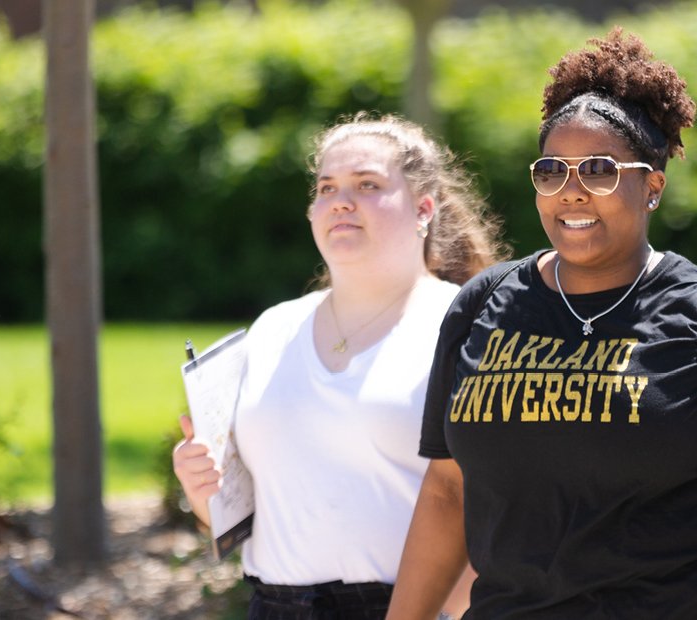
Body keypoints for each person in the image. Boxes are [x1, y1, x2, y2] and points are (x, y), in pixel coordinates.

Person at [388, 28, 697, 619]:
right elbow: (448, 492)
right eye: (551, 171)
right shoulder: (482, 306)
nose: (571, 192)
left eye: (599, 170)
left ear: (651, 187)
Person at [171, 113, 505, 618]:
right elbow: (252, 509)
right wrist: (203, 491)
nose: (341, 201)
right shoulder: (273, 329)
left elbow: (502, 510)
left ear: (424, 208)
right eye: (327, 188)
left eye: (367, 184)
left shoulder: (466, 327)